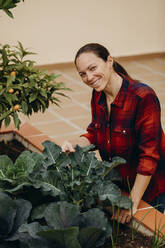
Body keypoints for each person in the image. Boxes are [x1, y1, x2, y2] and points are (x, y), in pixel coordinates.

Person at [61, 43, 165, 223]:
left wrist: (132, 202)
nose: (89, 77)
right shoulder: (98, 95)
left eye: (93, 68)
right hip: (122, 184)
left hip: (154, 190)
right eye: (83, 74)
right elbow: (96, 132)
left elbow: (149, 157)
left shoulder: (143, 97)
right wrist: (75, 144)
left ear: (110, 61)